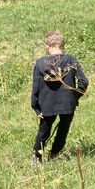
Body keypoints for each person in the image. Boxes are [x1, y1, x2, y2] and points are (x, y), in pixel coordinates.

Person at [31, 31, 89, 164]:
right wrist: (74, 96)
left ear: (47, 46)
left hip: (46, 104)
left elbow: (36, 87)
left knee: (44, 131)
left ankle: (37, 158)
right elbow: (84, 81)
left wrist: (36, 107)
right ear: (63, 45)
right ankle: (55, 154)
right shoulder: (71, 60)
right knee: (63, 130)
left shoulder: (40, 63)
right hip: (67, 103)